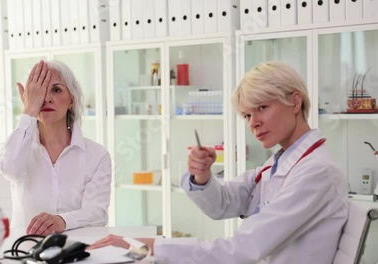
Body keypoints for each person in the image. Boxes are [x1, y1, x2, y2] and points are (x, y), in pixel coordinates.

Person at [89, 61, 349, 263]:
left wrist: (145, 245)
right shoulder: (278, 164)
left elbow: (238, 250)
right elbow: (222, 205)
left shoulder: (316, 172)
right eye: (247, 115)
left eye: (262, 108)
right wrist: (202, 176)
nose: (253, 123)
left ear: (295, 101)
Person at [0, 60, 111, 236]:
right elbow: (10, 170)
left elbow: (97, 214)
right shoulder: (14, 148)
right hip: (24, 251)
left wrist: (63, 221)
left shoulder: (97, 156)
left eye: (56, 90)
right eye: (39, 92)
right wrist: (29, 110)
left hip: (75, 252)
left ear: (71, 99)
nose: (47, 98)